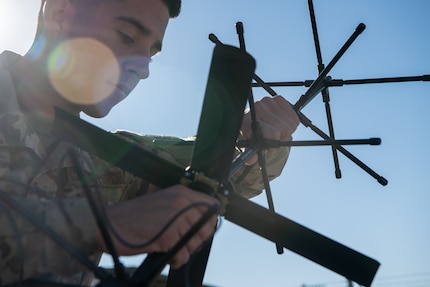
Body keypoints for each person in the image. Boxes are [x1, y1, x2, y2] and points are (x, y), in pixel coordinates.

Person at [0, 0, 300, 286]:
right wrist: (103, 227)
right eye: (127, 37)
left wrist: (251, 135)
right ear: (60, 15)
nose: (143, 70)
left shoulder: (101, 160)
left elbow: (212, 176)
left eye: (152, 55)